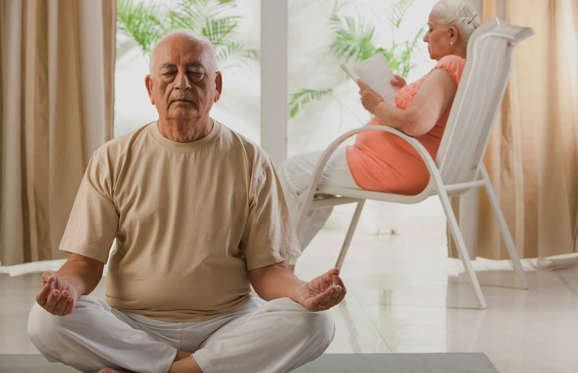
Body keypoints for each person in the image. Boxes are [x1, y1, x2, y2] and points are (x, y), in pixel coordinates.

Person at [27, 31, 346, 373]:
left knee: (316, 323)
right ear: (151, 88)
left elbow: (267, 271)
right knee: (46, 324)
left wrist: (303, 292)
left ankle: (158, 369)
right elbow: (84, 265)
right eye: (169, 73)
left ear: (216, 86)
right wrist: (66, 289)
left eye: (196, 74)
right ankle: (200, 369)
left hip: (226, 324)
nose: (182, 84)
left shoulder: (251, 159)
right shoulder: (113, 157)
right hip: (135, 325)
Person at [278, 0, 481, 256]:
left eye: (430, 30)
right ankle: (283, 263)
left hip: (391, 166)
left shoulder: (449, 66)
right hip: (402, 162)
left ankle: (275, 265)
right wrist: (405, 92)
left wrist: (376, 106)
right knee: (311, 182)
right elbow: (431, 115)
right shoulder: (466, 69)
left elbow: (416, 122)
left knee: (290, 172)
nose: (425, 38)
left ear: (451, 34)